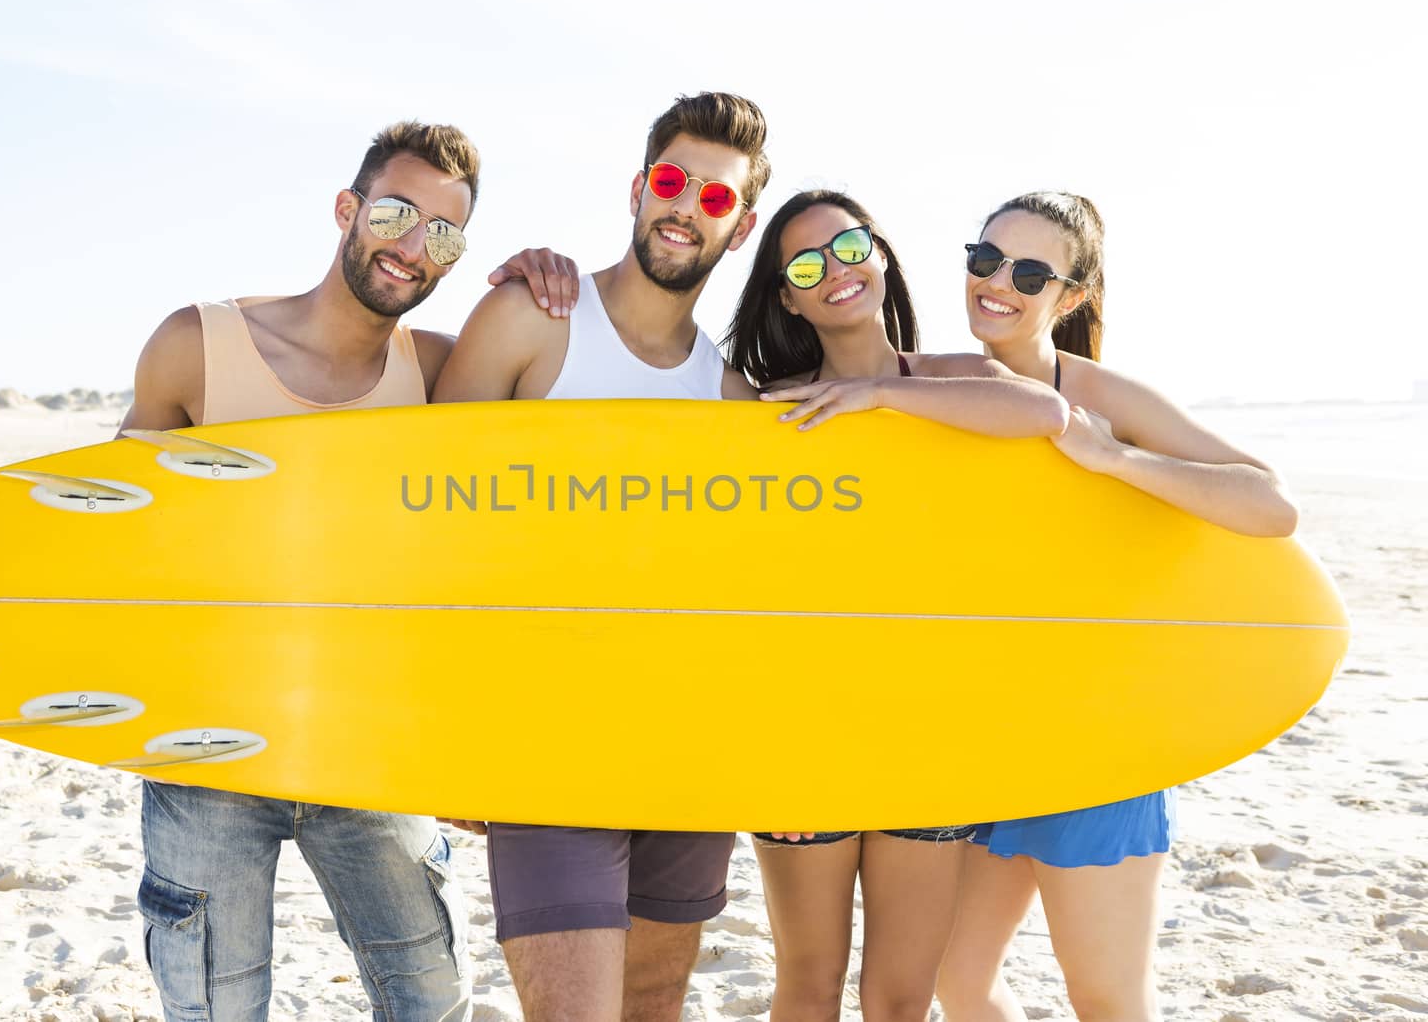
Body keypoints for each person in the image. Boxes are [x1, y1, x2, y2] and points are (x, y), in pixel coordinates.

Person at [0, 120, 579, 1022]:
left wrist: (540, 280)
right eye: (399, 213)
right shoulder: (198, 345)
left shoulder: (443, 375)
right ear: (349, 207)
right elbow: (110, 530)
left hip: (369, 745)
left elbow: (537, 501)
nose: (415, 247)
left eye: (444, 233)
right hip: (202, 743)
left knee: (430, 1002)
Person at [774, 191, 1298, 1022]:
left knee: (1106, 996)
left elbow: (1272, 506)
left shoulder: (1094, 392)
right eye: (984, 261)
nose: (997, 283)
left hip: (1096, 746)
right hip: (981, 745)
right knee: (958, 981)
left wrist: (1114, 457)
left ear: (1073, 295)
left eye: (1027, 271)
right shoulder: (942, 383)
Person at [428, 91, 773, 1022]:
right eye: (672, 181)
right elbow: (426, 535)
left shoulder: (733, 399)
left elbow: (741, 596)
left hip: (684, 745)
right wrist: (448, 732)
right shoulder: (531, 320)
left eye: (714, 198)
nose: (685, 205)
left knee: (656, 998)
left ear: (738, 228)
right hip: (542, 738)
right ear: (637, 186)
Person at [725, 189, 1067, 1022]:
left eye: (848, 247)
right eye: (806, 265)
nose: (835, 272)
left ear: (879, 251)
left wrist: (879, 395)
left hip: (933, 730)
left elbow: (1043, 410)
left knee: (901, 996)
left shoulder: (953, 381)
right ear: (788, 296)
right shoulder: (759, 404)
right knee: (807, 984)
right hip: (802, 727)